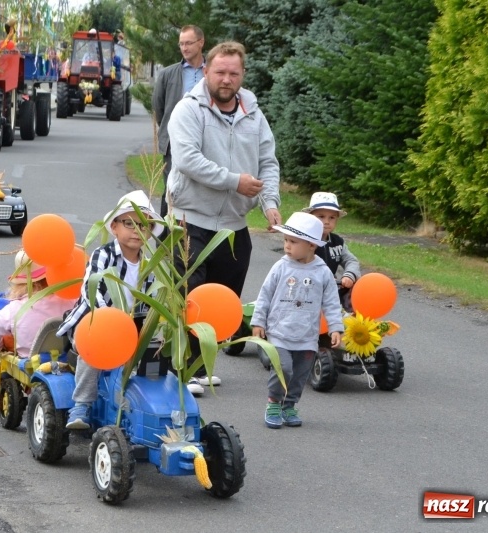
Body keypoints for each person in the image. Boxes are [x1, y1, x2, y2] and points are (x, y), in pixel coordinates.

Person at [166, 41, 282, 394]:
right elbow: (187, 160)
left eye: (233, 73)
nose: (226, 79)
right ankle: (183, 370)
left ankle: (202, 365)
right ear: (206, 72)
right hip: (190, 220)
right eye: (220, 72)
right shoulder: (189, 110)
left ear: (242, 75)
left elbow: (268, 163)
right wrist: (236, 182)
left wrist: (270, 203)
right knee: (191, 297)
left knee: (222, 300)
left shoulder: (254, 115)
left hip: (234, 226)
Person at [56, 191, 164, 429]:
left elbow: (155, 298)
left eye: (144, 225)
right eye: (129, 223)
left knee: (156, 354)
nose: (137, 230)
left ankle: (151, 408)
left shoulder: (150, 264)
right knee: (92, 353)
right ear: (114, 227)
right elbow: (90, 289)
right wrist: (107, 321)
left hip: (131, 328)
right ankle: (81, 406)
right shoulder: (103, 255)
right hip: (95, 322)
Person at [249, 212, 344, 429]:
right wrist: (258, 322)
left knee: (300, 374)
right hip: (280, 331)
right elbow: (264, 295)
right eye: (285, 241)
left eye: (293, 241)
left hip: (307, 335)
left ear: (311, 245)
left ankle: (289, 405)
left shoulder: (322, 272)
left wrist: (335, 327)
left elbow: (330, 301)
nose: (287, 246)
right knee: (283, 368)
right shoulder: (281, 267)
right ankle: (274, 403)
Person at [0, 251, 77, 359]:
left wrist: (4, 342)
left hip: (29, 368)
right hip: (69, 364)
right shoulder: (73, 302)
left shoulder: (14, 309)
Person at [153, 25, 206, 217]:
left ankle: (193, 234)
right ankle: (166, 236)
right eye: (181, 44)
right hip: (174, 142)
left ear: (201, 43)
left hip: (206, 139)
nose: (184, 48)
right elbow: (159, 108)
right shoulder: (168, 74)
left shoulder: (212, 73)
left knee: (201, 187)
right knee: (171, 188)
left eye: (188, 43)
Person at [302, 192, 361, 312]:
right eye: (321, 216)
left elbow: (351, 260)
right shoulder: (304, 241)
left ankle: (349, 320)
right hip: (308, 290)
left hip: (333, 290)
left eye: (332, 217)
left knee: (357, 293)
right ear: (310, 217)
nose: (327, 221)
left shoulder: (337, 242)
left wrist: (349, 275)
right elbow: (297, 265)